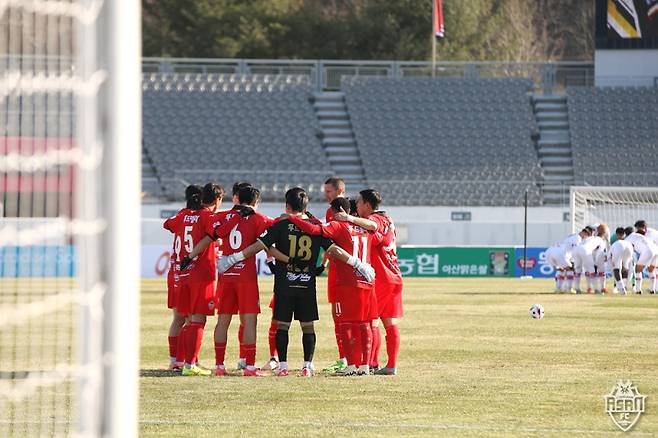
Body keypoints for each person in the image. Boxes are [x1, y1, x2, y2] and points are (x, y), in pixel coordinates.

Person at [219, 187, 373, 376]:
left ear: (287, 205)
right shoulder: (316, 226)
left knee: (282, 326)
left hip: (285, 283)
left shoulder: (282, 225)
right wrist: (358, 264)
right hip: (307, 284)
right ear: (305, 205)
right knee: (308, 327)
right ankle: (307, 366)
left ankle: (283, 366)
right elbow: (333, 249)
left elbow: (260, 246)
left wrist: (233, 259)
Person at [286, 197, 380, 376]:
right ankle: (365, 366)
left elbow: (315, 230)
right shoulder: (365, 227)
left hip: (348, 282)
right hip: (367, 280)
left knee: (346, 323)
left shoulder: (339, 225)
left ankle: (351, 366)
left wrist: (292, 218)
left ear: (337, 211)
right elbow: (374, 227)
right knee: (364, 324)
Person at [186, 185, 274, 376]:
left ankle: (219, 366)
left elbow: (210, 235)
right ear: (255, 202)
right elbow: (269, 240)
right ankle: (249, 366)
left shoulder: (222, 216)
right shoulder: (259, 219)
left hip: (226, 276)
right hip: (246, 278)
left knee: (223, 321)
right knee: (250, 321)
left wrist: (191, 255)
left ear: (236, 198)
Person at [333, 190, 403, 375]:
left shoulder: (376, 220)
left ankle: (370, 363)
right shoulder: (388, 219)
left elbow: (372, 227)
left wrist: (348, 219)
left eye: (359, 202)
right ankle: (391, 366)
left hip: (382, 277)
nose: (357, 205)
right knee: (389, 322)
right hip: (394, 276)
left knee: (371, 322)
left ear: (368, 206)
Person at [162, 184, 202, 370]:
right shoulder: (200, 217)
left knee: (178, 318)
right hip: (190, 272)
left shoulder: (180, 216)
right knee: (190, 320)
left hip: (175, 272)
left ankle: (174, 361)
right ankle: (189, 361)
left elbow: (167, 224)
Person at [321, 177, 349, 373]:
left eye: (329, 191)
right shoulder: (331, 211)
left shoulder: (340, 212)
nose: (326, 195)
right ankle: (348, 358)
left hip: (343, 271)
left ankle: (347, 359)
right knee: (339, 315)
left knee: (343, 316)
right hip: (337, 268)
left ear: (340, 191)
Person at [545, 228, 591, 293]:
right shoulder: (578, 238)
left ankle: (558, 289)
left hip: (550, 251)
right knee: (570, 269)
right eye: (587, 236)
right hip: (560, 253)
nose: (585, 238)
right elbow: (576, 250)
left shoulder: (572, 236)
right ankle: (569, 289)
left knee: (561, 270)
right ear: (584, 233)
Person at [626, 221, 658, 294]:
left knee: (638, 269)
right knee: (651, 270)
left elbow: (630, 249)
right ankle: (652, 290)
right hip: (656, 250)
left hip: (648, 251)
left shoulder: (628, 238)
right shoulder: (641, 234)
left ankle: (638, 290)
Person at [609, 227, 634, 295]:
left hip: (618, 248)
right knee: (625, 268)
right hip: (629, 249)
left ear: (617, 235)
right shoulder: (628, 242)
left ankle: (621, 288)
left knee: (616, 269)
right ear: (624, 234)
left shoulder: (615, 243)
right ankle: (625, 286)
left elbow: (609, 256)